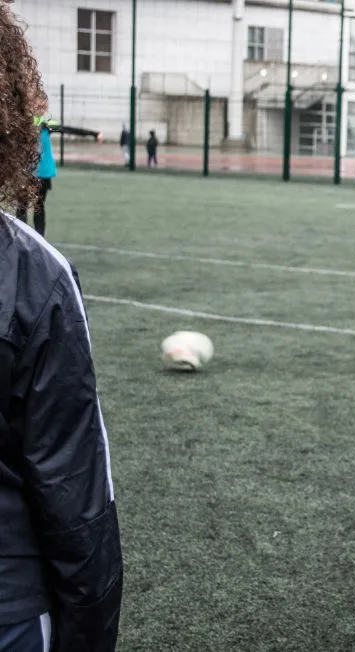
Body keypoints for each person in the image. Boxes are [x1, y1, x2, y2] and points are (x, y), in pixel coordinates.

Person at [0, 6, 123, 651]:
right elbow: (72, 492)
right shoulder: (33, 283)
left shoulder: (39, 127)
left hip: (33, 182)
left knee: (32, 215)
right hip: (11, 606)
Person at [16, 110, 102, 238]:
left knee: (36, 207)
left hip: (41, 173)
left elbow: (67, 128)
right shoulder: (21, 125)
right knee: (24, 207)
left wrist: (93, 133)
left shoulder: (45, 125)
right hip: (25, 173)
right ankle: (23, 238)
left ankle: (38, 240)